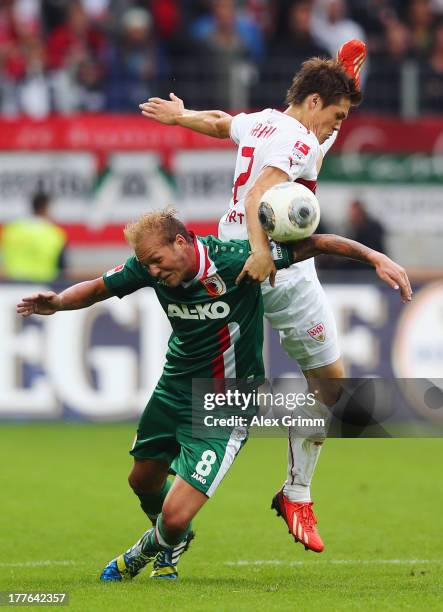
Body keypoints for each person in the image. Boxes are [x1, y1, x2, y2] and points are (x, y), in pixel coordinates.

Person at [17, 208, 410, 580]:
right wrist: (58, 303)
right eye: (147, 265)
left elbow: (315, 242)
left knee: (173, 517)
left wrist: (376, 257)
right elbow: (99, 288)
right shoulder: (148, 266)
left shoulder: (237, 259)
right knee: (142, 480)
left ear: (182, 242)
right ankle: (174, 540)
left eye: (158, 260)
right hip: (175, 388)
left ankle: (149, 548)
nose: (153, 271)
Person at [139, 43, 379, 554]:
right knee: (330, 388)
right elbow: (257, 198)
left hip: (227, 259)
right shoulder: (298, 143)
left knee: (218, 378)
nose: (333, 128)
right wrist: (263, 250)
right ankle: (296, 492)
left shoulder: (265, 121)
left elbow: (223, 123)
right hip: (277, 269)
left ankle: (169, 459)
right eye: (335, 116)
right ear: (314, 101)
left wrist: (182, 118)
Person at [1, 192, 67, 282]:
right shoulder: (53, 233)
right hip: (43, 285)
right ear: (45, 207)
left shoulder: (12, 229)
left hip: (13, 284)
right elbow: (62, 266)